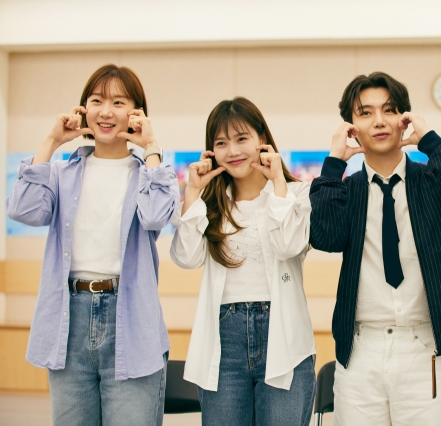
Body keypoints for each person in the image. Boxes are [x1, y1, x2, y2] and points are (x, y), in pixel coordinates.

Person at [6, 64, 179, 425]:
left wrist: (150, 147)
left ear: (136, 112)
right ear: (83, 108)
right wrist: (51, 141)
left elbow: (155, 217)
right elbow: (22, 209)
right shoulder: (62, 173)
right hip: (69, 319)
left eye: (118, 102)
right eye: (97, 100)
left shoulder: (150, 173)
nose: (105, 111)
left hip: (130, 318)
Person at [309, 72, 441, 425]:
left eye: (389, 110)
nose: (379, 121)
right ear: (351, 126)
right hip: (361, 349)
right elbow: (324, 236)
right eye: (365, 113)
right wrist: (334, 162)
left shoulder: (431, 184)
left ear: (405, 120)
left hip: (425, 347)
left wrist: (432, 142)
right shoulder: (349, 190)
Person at [170, 97, 316, 426]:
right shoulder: (210, 202)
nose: (232, 151)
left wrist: (278, 183)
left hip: (283, 336)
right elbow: (187, 257)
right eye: (221, 143)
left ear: (262, 140)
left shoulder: (296, 194)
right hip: (225, 340)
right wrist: (192, 192)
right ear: (211, 151)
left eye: (241, 139)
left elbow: (288, 245)